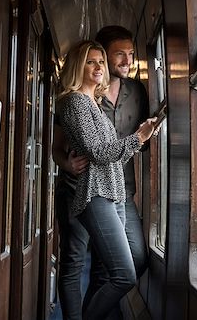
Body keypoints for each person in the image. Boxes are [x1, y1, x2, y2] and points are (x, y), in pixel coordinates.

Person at [56, 40, 156, 320]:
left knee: (111, 273)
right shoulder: (75, 102)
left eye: (101, 61)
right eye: (91, 61)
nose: (99, 67)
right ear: (78, 66)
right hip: (95, 195)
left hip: (115, 196)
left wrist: (138, 138)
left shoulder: (94, 104)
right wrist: (138, 138)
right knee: (124, 275)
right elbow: (99, 153)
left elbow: (113, 159)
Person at [83, 26, 150, 314]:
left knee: (137, 258)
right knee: (101, 268)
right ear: (102, 55)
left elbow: (143, 144)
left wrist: (146, 137)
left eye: (131, 54)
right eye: (120, 54)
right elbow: (62, 141)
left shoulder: (137, 90)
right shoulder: (85, 94)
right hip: (94, 191)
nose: (128, 61)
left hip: (125, 190)